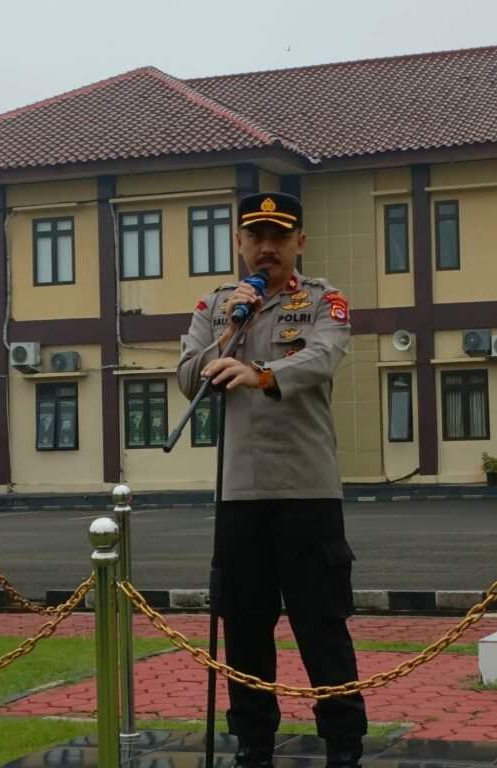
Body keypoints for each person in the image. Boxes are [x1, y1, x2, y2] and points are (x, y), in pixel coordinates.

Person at [177, 192, 367, 768]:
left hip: (307, 490)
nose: (267, 248)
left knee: (321, 624)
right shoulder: (217, 306)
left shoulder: (322, 300)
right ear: (239, 242)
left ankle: (343, 743)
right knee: (244, 627)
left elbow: (323, 357)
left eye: (279, 236)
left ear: (299, 242)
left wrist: (260, 374)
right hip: (239, 494)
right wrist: (231, 331)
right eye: (255, 236)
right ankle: (253, 742)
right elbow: (187, 377)